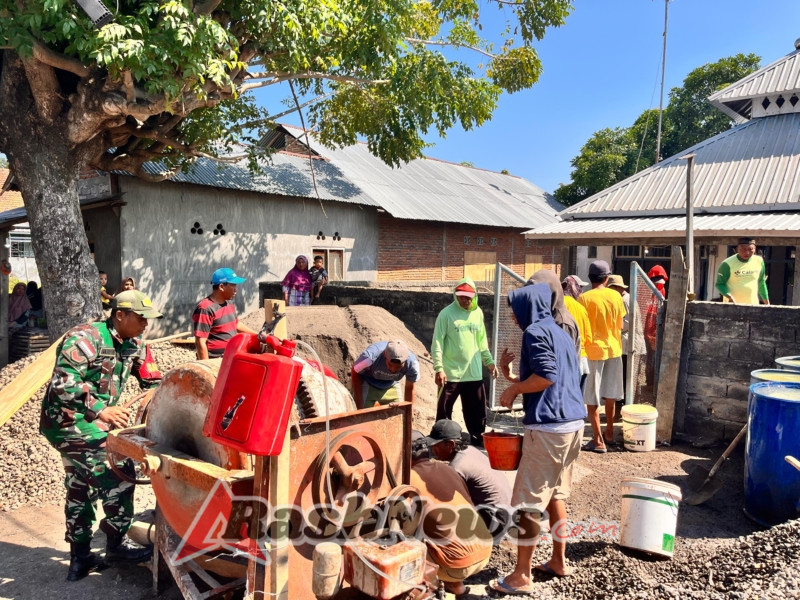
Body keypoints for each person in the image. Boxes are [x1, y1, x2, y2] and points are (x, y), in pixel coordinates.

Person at [39, 290, 164, 581]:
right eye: (141, 318)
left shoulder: (136, 343)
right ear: (120, 315)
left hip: (92, 423)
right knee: (118, 472)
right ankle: (117, 545)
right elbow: (62, 385)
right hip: (67, 421)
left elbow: (152, 378)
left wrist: (162, 389)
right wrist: (100, 410)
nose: (146, 324)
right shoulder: (85, 339)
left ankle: (80, 559)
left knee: (81, 485)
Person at [491, 283, 585, 595]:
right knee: (556, 495)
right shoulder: (559, 330)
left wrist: (513, 389)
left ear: (527, 308)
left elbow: (546, 377)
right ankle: (559, 561)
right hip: (572, 424)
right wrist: (511, 376)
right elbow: (552, 378)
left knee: (527, 505)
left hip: (549, 429)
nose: (513, 316)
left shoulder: (534, 332)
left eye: (515, 310)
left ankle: (521, 576)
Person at [410, 430, 492, 597]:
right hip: (485, 550)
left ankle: (424, 589)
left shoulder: (408, 480)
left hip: (457, 566)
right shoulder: (447, 469)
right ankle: (458, 589)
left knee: (403, 542)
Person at [431, 278, 496, 447]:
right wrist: (439, 368)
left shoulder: (478, 313)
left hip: (473, 373)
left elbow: (482, 342)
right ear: (455, 295)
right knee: (444, 410)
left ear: (474, 296)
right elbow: (437, 342)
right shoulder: (446, 314)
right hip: (451, 373)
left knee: (477, 411)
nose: (464, 300)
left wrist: (489, 361)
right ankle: (442, 440)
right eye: (461, 297)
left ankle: (477, 438)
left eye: (468, 297)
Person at [426, 419, 512, 527]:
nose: (434, 450)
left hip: (496, 521)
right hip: (507, 512)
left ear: (451, 444)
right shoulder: (470, 450)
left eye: (437, 445)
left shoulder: (457, 467)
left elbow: (446, 500)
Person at [578, 260, 625, 452]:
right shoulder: (616, 296)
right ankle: (610, 434)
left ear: (589, 279)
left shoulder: (584, 299)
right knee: (611, 396)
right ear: (607, 278)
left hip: (593, 351)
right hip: (614, 349)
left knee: (592, 397)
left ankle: (597, 442)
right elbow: (621, 325)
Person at [193, 267, 258, 360]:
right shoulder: (205, 308)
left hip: (231, 357)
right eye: (233, 285)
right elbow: (200, 342)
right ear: (221, 287)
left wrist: (258, 335)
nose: (236, 290)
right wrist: (207, 367)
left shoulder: (228, 303)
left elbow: (236, 324)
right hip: (216, 360)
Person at [607, 274, 646, 403]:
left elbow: (627, 323)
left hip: (628, 344)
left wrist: (612, 326)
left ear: (617, 288)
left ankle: (620, 410)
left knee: (623, 379)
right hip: (629, 344)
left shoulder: (624, 300)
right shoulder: (627, 299)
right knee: (627, 379)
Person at [351, 340, 420, 408]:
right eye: (390, 365)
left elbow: (409, 387)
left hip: (391, 384)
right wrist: (359, 402)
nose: (393, 370)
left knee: (399, 414)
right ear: (384, 354)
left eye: (398, 366)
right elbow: (355, 372)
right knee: (362, 416)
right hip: (368, 381)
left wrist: (409, 410)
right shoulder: (369, 358)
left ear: (407, 359)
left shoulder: (412, 364)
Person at [715, 237, 769, 305]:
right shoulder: (727, 264)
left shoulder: (759, 261)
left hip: (753, 305)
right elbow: (719, 284)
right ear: (737, 249)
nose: (747, 252)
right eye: (743, 249)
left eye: (750, 249)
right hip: (732, 306)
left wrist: (767, 303)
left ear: (755, 249)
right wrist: (729, 296)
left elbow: (761, 282)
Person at [561, 275, 592, 392]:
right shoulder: (581, 308)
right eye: (580, 287)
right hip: (581, 359)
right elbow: (589, 337)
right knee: (578, 400)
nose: (582, 291)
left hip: (562, 358)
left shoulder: (555, 303)